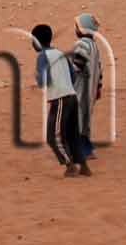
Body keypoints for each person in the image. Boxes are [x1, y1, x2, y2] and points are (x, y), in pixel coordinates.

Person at [33, 23, 78, 176]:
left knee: (53, 137)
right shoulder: (60, 53)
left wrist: (38, 77)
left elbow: (44, 81)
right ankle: (81, 164)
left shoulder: (42, 57)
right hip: (70, 96)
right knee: (65, 134)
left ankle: (70, 165)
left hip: (60, 99)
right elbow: (73, 76)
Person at [65, 13, 103, 175]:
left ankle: (79, 153)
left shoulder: (81, 44)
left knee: (75, 120)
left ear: (81, 29)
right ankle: (87, 149)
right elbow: (100, 69)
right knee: (85, 119)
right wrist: (99, 87)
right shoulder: (94, 45)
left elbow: (77, 66)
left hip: (80, 90)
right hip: (91, 89)